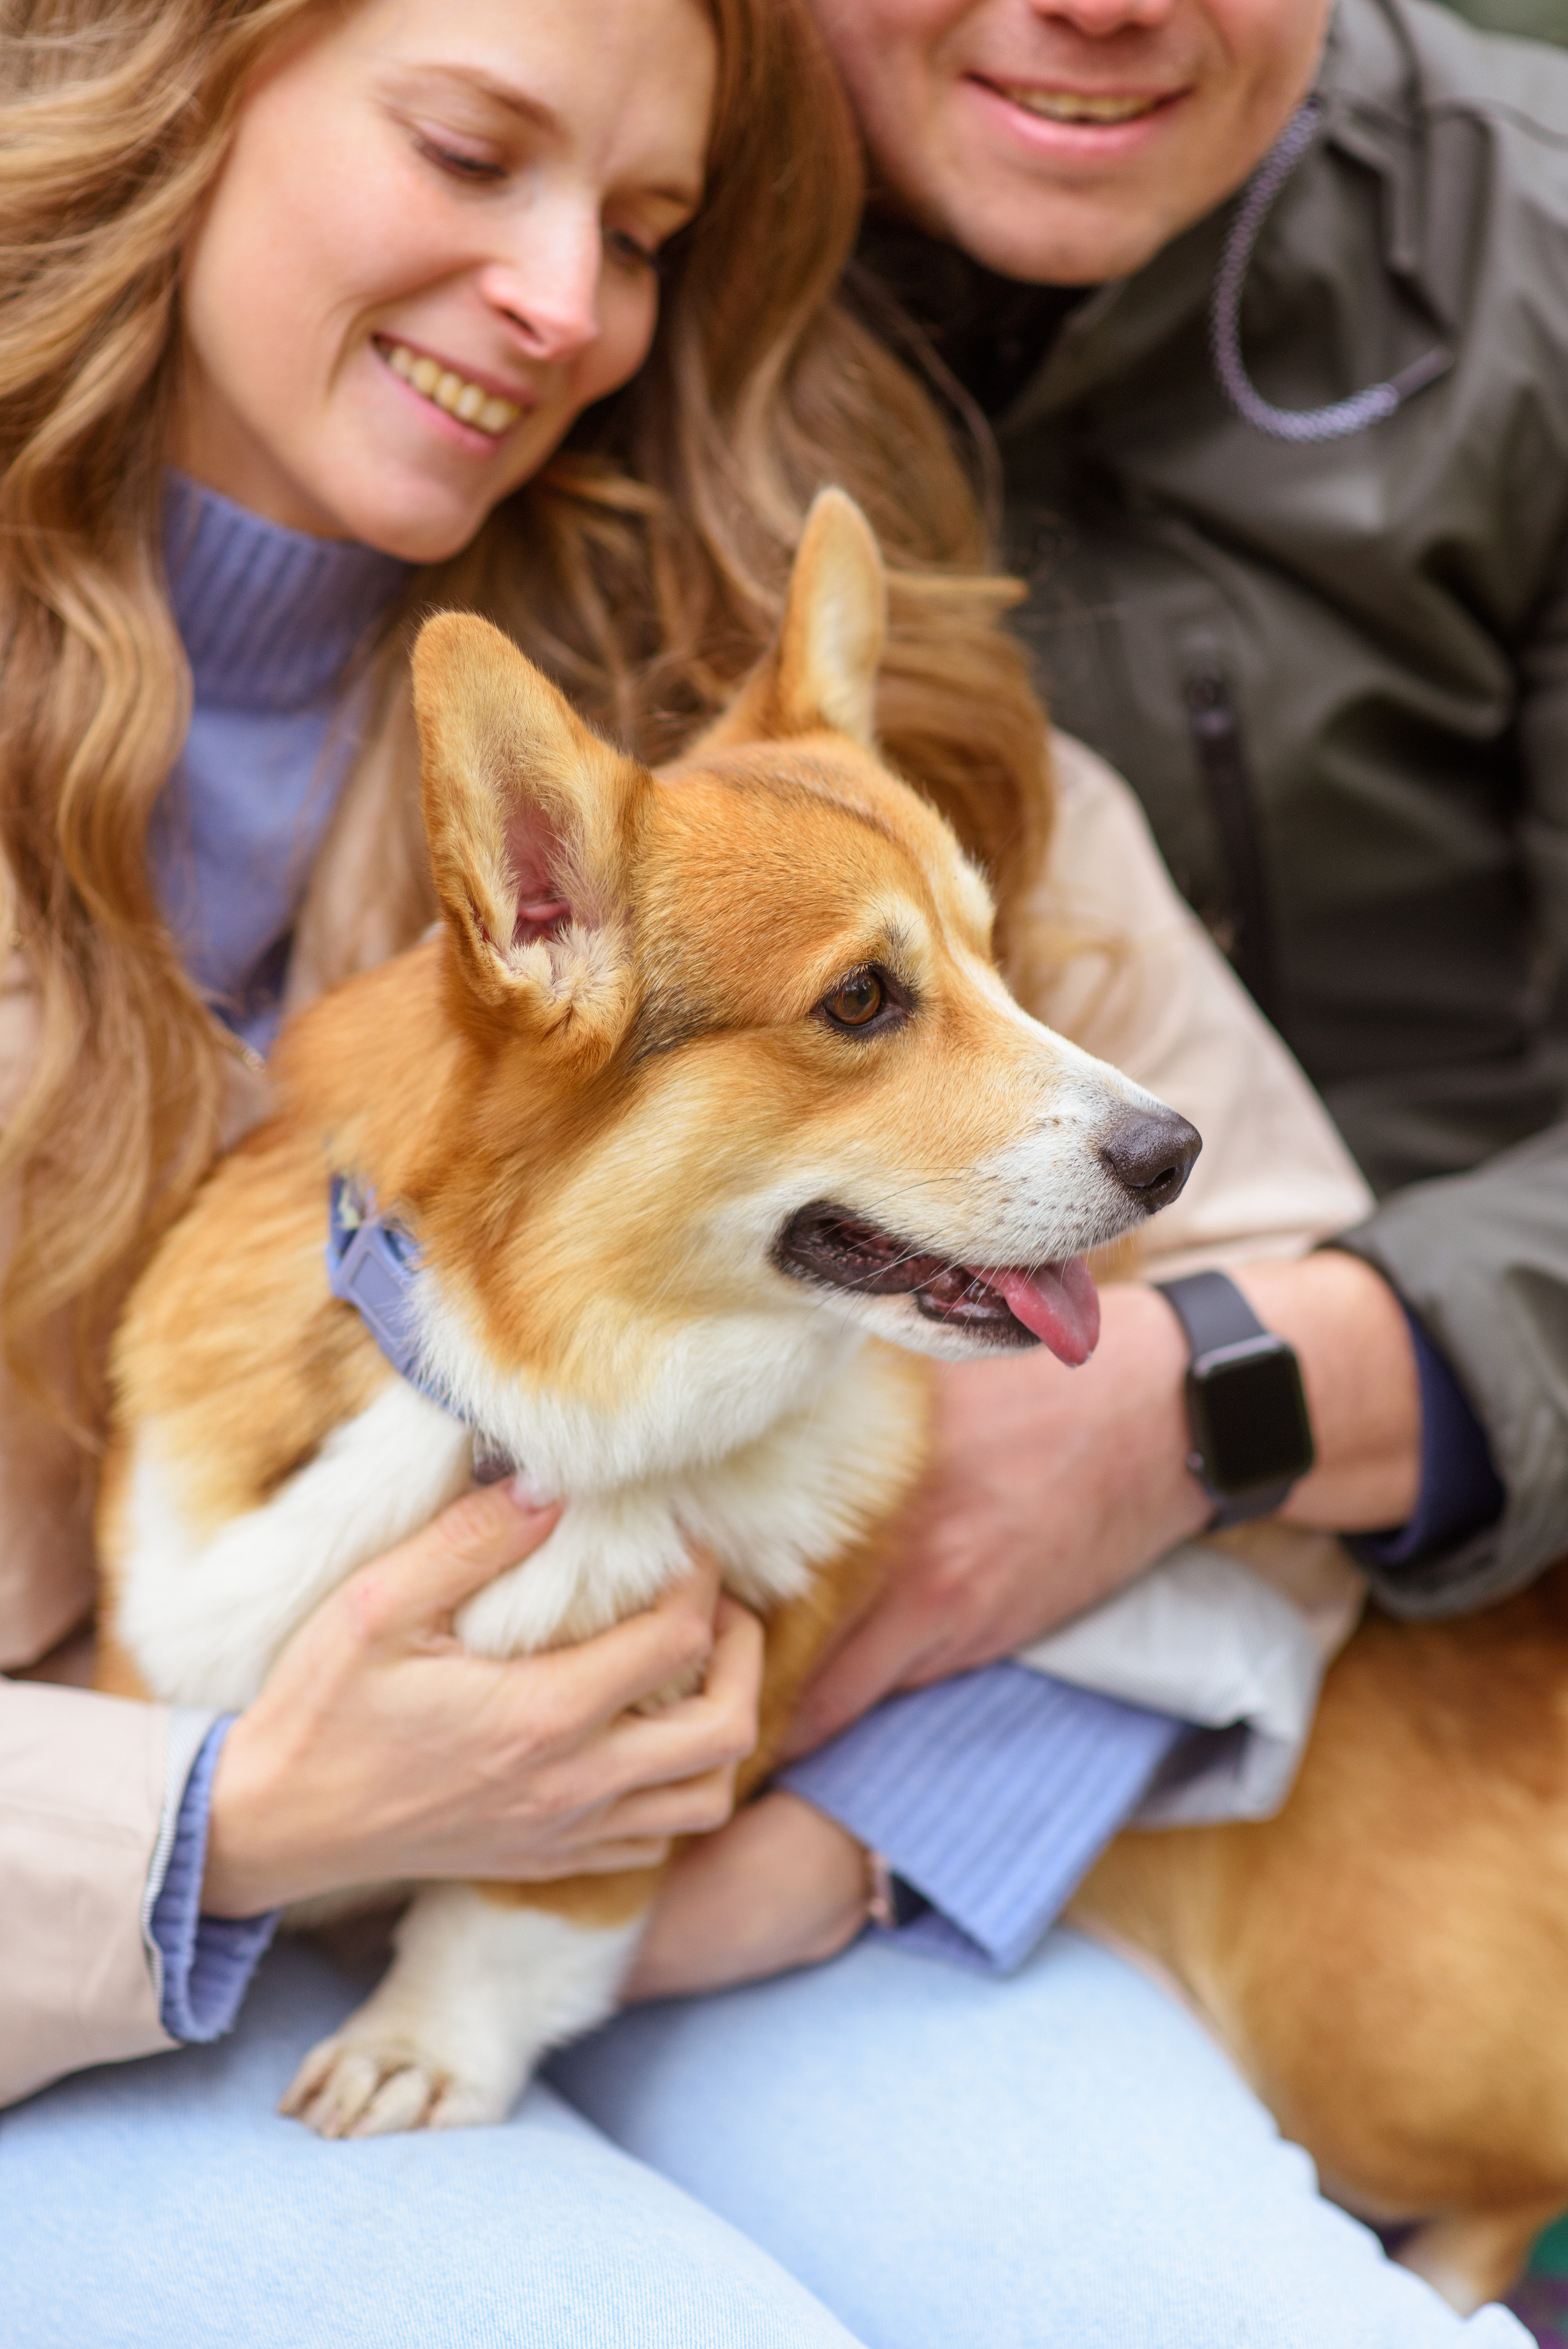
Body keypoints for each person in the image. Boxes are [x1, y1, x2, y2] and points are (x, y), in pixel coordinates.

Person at [0, 2, 1527, 2344]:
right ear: (184, 79)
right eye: (467, 151)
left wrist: (844, 1844)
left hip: (755, 1885)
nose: (559, 301)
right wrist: (231, 1833)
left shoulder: (786, 689)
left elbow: (1231, 1328)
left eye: (643, 230)